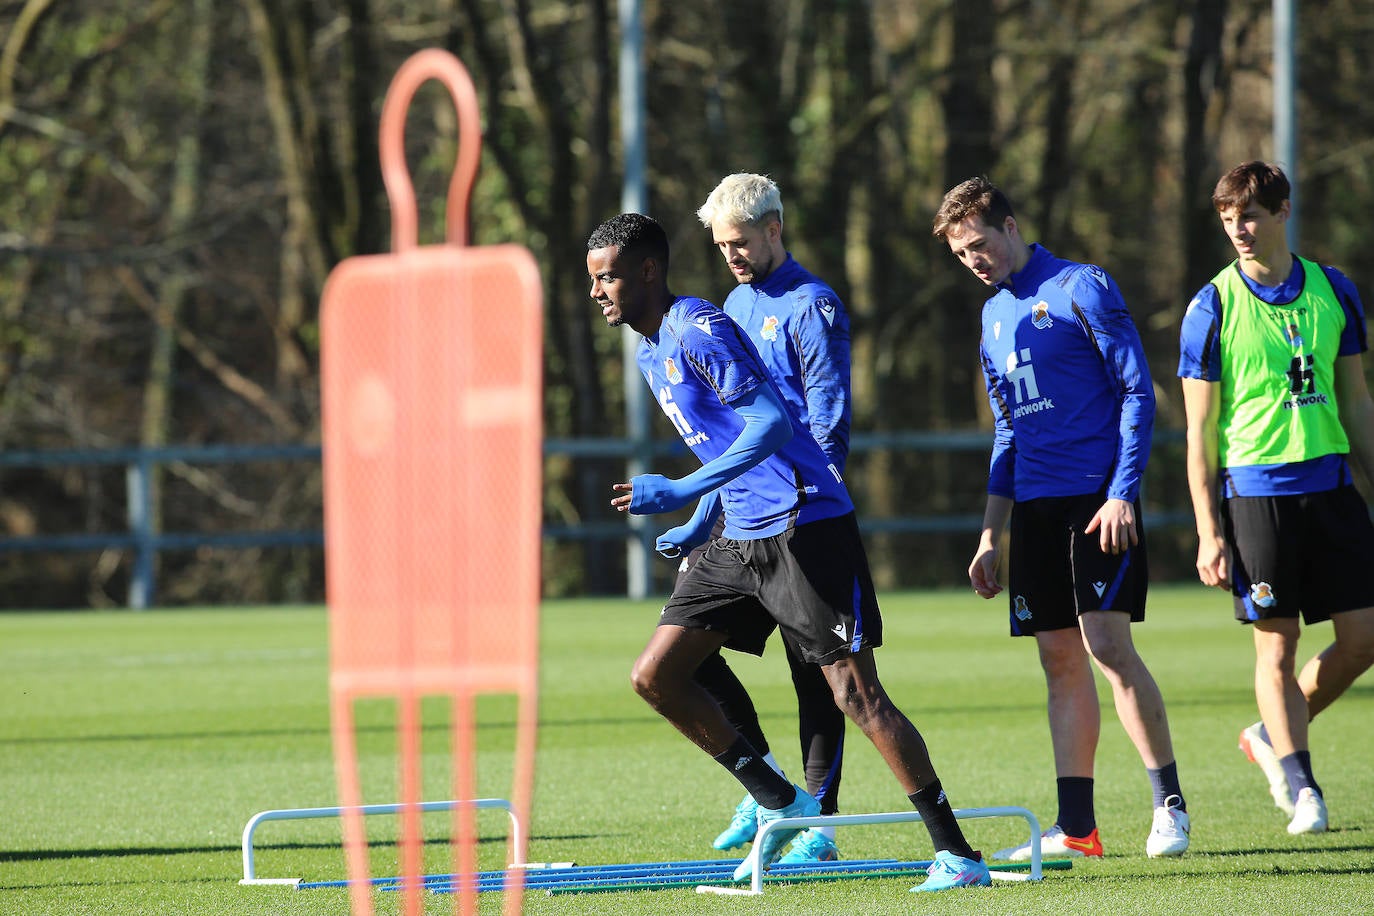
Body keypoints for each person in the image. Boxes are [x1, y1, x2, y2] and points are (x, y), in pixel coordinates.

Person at [586, 211, 990, 893]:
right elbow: (726, 445)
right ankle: (780, 800)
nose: (598, 292)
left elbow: (772, 423)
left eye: (608, 278)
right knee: (657, 674)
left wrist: (683, 487)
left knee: (857, 696)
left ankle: (957, 854)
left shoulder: (696, 327)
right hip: (738, 532)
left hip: (805, 525)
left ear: (648, 272)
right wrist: (699, 517)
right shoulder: (650, 347)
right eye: (594, 280)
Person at [932, 177, 1190, 860]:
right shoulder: (992, 319)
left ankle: (1169, 804)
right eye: (961, 255)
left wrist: (1123, 491)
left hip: (1099, 499)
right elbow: (1008, 434)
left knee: (1107, 647)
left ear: (1010, 228)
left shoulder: (1084, 286)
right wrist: (991, 534)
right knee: (1058, 660)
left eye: (980, 245)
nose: (974, 261)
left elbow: (1138, 390)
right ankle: (1077, 827)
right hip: (1037, 512)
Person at [1179, 160, 1374, 835]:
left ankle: (1270, 734)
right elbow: (1199, 433)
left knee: (1364, 638)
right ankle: (1302, 783)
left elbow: (1357, 405)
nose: (1240, 230)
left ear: (1284, 211)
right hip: (1256, 494)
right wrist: (1208, 530)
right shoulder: (1211, 307)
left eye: (1252, 216)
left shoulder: (1334, 291)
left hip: (1332, 489)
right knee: (1278, 646)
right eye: (1229, 220)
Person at [679, 173, 850, 865]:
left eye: (741, 242)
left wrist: (815, 504)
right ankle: (766, 785)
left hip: (800, 514)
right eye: (722, 246)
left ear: (774, 227)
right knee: (686, 650)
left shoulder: (813, 306)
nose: (732, 257)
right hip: (738, 512)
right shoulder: (729, 305)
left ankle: (820, 828)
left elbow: (828, 416)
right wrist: (706, 507)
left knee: (817, 671)